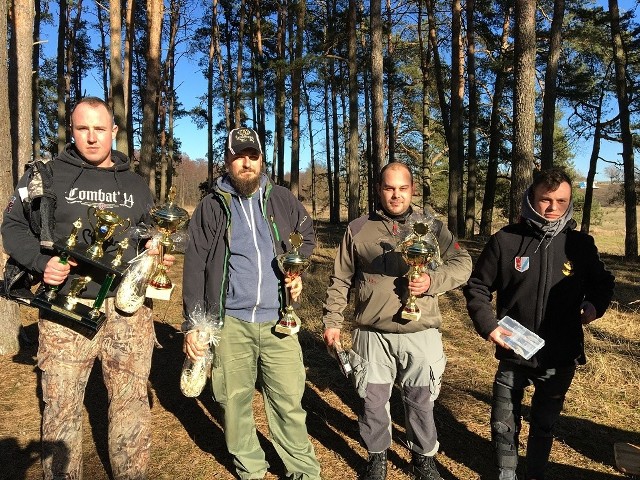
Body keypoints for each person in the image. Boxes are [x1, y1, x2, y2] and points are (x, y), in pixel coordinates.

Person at [1, 96, 173, 479]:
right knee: (61, 408)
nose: (92, 138)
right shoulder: (45, 176)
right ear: (72, 131)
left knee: (131, 405)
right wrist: (42, 263)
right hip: (66, 311)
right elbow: (12, 227)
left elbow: (150, 234)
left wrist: (155, 254)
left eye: (100, 129)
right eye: (83, 128)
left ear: (113, 131)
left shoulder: (136, 184)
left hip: (128, 312)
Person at [182, 127, 321, 480]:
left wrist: (297, 266)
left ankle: (304, 472)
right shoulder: (212, 205)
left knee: (289, 402)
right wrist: (195, 323)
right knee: (234, 403)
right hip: (231, 323)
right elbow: (195, 265)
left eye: (252, 155)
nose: (246, 162)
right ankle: (251, 469)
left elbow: (306, 237)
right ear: (227, 160)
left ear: (261, 159)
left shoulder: (282, 199)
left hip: (279, 322)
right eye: (238, 155)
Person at [322, 162, 472, 480]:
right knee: (372, 400)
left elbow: (463, 262)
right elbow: (340, 278)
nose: (396, 195)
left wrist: (432, 280)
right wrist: (332, 320)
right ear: (379, 189)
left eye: (403, 188)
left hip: (421, 330)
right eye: (389, 188)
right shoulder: (358, 229)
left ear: (412, 190)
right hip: (372, 332)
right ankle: (377, 456)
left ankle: (423, 459)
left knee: (421, 400)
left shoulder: (431, 225)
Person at [463, 167, 615, 480]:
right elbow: (477, 287)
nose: (553, 208)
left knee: (545, 423)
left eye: (561, 201)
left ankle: (535, 473)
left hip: (560, 355)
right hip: (513, 350)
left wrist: (594, 306)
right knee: (503, 420)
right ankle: (507, 472)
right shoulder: (505, 241)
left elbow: (603, 283)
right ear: (531, 197)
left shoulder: (580, 246)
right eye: (546, 200)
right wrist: (488, 324)